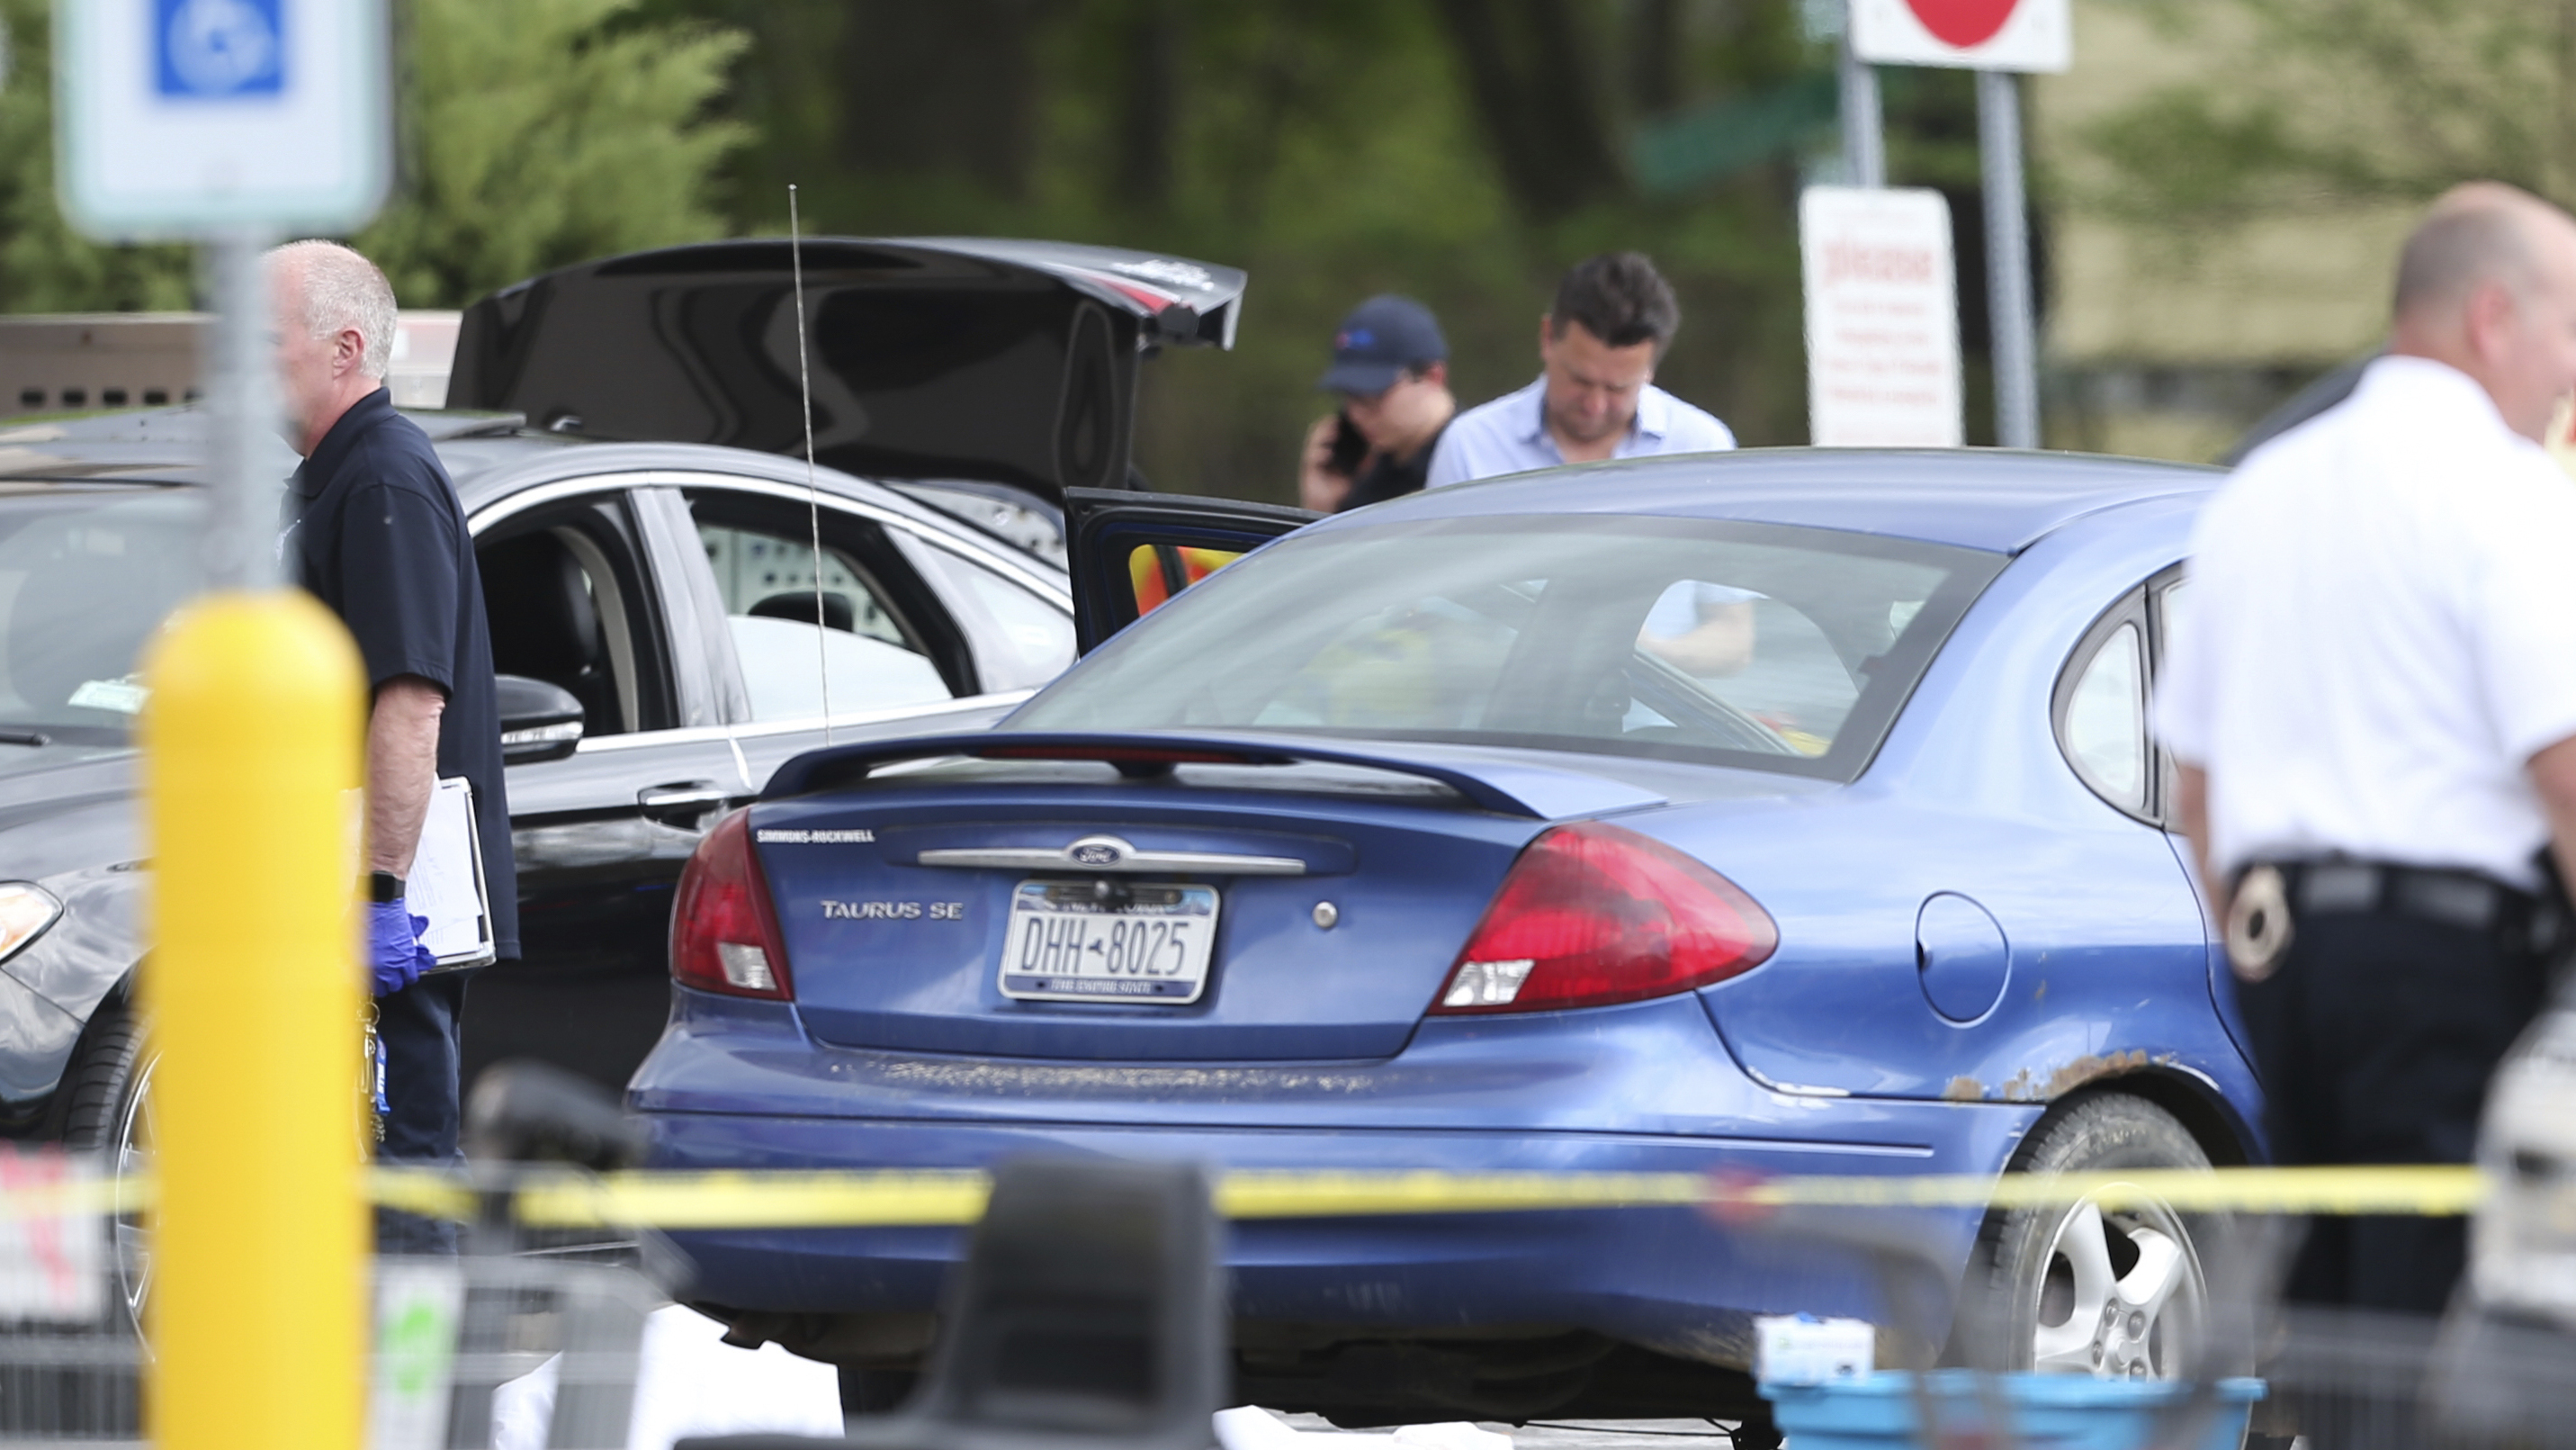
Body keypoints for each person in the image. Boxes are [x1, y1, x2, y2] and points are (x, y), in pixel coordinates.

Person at [2156, 182, 2576, 1316]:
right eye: (2569, 328)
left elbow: (2194, 781)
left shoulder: (2261, 489)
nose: (2569, 370)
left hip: (2284, 955)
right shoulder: (2507, 491)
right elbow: (2568, 773)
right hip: (2446, 964)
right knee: (2439, 1306)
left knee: (2337, 1313)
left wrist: (2250, 938)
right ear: (2493, 317)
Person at [271, 240, 518, 1252]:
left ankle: (420, 1408)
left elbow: (409, 704)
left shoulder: (381, 482)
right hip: (346, 882)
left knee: (407, 1170)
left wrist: (378, 898)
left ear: (342, 348)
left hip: (390, 906)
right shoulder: (338, 480)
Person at [1423, 250, 1734, 488]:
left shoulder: (1702, 449)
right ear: (1547, 338)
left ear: (1651, 368)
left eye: (1618, 388)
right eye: (1580, 380)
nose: (1595, 405)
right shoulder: (1472, 446)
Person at [1297, 295, 1456, 513]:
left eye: (1373, 396)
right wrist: (1324, 510)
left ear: (1432, 377)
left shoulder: (1472, 463)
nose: (1355, 414)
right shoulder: (1372, 479)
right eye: (1348, 396)